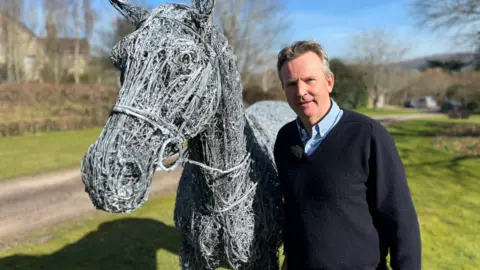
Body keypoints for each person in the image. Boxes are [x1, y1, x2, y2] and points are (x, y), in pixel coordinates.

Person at [273, 40, 422, 270]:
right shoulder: (285, 140)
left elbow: (401, 220)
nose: (301, 92)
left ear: (329, 81)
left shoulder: (368, 135)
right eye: (291, 83)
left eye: (309, 80)